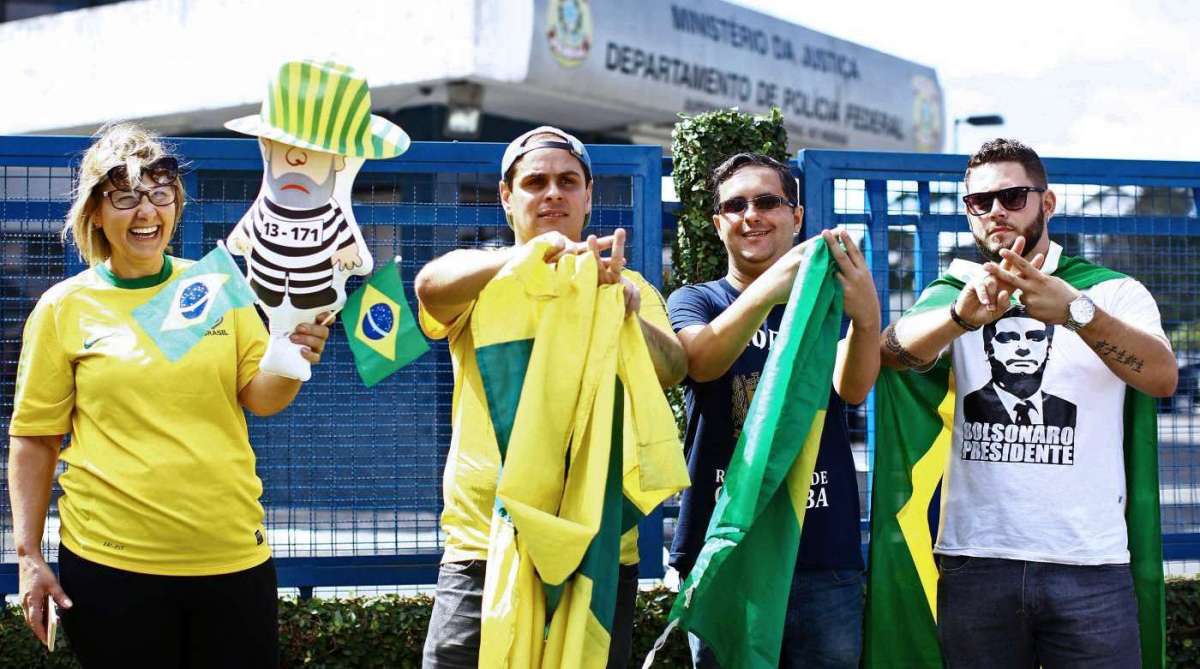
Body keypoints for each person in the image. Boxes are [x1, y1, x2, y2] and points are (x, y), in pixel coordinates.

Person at [7, 122, 332, 668]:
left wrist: (292, 355)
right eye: (126, 197)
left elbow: (261, 398)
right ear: (94, 213)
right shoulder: (66, 307)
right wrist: (27, 556)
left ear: (176, 205)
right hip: (111, 564)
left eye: (160, 194)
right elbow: (35, 438)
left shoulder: (207, 286)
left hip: (231, 556)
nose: (146, 212)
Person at [880, 138, 1177, 666]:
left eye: (1013, 196)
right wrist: (961, 320)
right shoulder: (953, 293)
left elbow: (1160, 378)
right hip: (977, 560)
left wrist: (1075, 314)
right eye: (979, 202)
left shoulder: (1109, 291)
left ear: (1048, 202)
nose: (996, 211)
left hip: (1089, 562)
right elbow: (890, 354)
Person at [414, 126, 687, 669]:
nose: (552, 194)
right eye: (535, 182)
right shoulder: (481, 279)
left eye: (568, 182)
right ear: (506, 198)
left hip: (597, 542)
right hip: (485, 542)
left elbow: (673, 369)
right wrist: (530, 256)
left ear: (589, 196)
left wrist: (627, 313)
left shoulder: (626, 283)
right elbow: (428, 285)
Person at [667, 152, 880, 668]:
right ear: (719, 225)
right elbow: (702, 362)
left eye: (768, 201)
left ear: (797, 216)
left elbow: (852, 391)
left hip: (821, 552)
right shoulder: (697, 300)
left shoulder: (828, 300)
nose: (751, 215)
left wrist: (867, 318)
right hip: (727, 547)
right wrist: (770, 286)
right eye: (735, 205)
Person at [961, 308, 1078, 429]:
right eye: (1008, 338)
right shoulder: (971, 403)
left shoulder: (1066, 408)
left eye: (1035, 338)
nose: (1023, 348)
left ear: (1048, 349)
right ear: (988, 349)